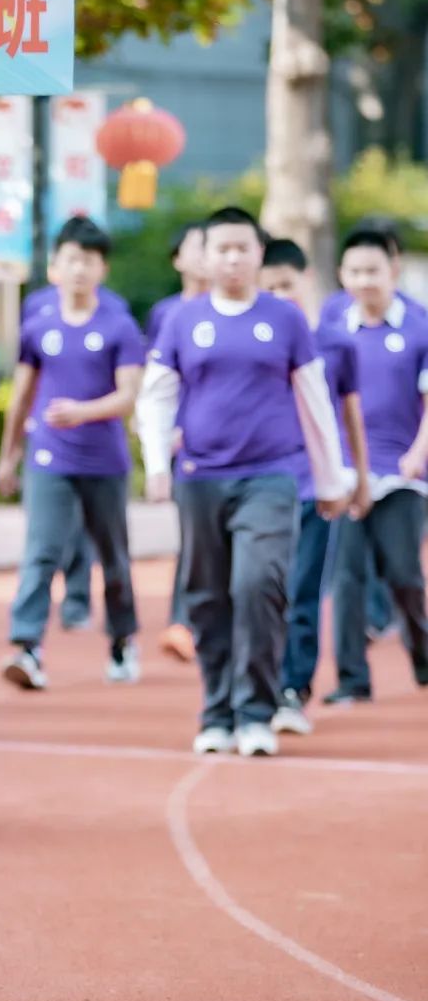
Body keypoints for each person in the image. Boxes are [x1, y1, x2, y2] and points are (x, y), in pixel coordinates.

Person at [138, 207, 349, 758]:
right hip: (201, 479)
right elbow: (156, 396)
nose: (232, 258)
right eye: (222, 248)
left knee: (259, 586)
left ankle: (256, 709)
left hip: (271, 477)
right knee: (207, 598)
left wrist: (330, 480)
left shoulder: (285, 319)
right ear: (205, 256)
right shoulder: (183, 321)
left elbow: (315, 402)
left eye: (243, 248)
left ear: (260, 254)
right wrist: (157, 465)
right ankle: (218, 710)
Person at [0, 216, 144, 690]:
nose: (80, 269)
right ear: (56, 266)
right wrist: (8, 454)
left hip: (104, 461)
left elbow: (128, 397)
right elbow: (21, 396)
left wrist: (82, 411)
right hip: (49, 459)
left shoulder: (119, 326)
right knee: (41, 551)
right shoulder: (38, 324)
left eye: (90, 260)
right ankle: (27, 646)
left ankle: (122, 641)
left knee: (114, 558)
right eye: (71, 260)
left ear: (102, 268)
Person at [261, 238, 372, 732]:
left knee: (303, 594)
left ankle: (292, 689)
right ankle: (255, 686)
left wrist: (359, 479)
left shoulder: (335, 343)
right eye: (271, 288)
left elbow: (350, 417)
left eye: (287, 284)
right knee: (257, 591)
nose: (281, 295)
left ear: (306, 281)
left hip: (315, 490)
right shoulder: (253, 340)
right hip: (261, 488)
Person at [324, 227, 428, 705]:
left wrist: (417, 455)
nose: (364, 281)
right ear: (343, 275)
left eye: (373, 271)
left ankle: (423, 657)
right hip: (346, 473)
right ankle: (351, 680)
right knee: (346, 577)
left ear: (394, 271)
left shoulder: (420, 325)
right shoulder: (331, 323)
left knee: (404, 574)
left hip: (404, 474)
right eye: (355, 272)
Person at [145, 223, 209, 665]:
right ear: (179, 259)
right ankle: (182, 623)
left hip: (225, 444)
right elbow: (158, 384)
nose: (207, 255)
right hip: (184, 446)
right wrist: (159, 434)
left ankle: (202, 620)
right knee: (194, 538)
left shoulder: (234, 310)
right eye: (197, 246)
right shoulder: (167, 314)